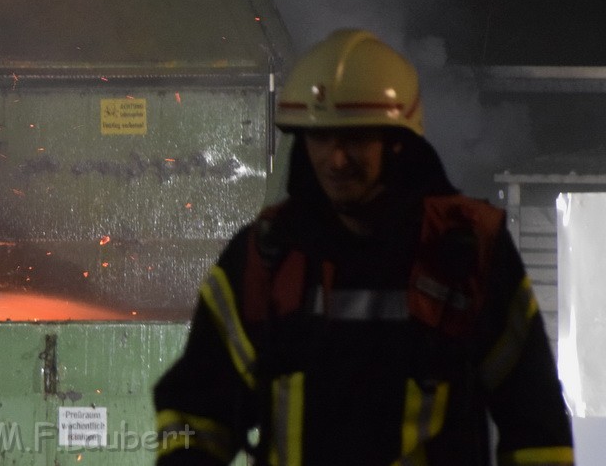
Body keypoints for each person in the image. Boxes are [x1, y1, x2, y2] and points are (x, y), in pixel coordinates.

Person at [153, 29, 573, 465]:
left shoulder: (465, 254)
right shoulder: (265, 259)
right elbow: (195, 408)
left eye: (353, 138)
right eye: (320, 138)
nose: (335, 160)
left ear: (397, 142)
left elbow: (536, 424)